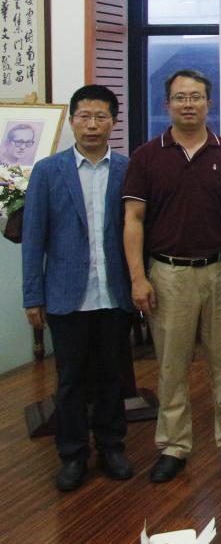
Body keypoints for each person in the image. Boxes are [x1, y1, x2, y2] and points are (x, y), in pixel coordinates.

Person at [122, 69, 221, 483]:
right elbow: (134, 219)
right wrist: (139, 278)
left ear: (208, 103)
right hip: (169, 273)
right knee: (171, 366)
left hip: (220, 269)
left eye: (196, 97)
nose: (188, 104)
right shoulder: (147, 155)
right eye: (180, 98)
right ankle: (174, 447)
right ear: (167, 105)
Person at [21, 85, 133, 491]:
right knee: (69, 381)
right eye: (84, 116)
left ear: (113, 122)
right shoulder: (48, 172)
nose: (91, 124)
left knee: (111, 377)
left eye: (100, 116)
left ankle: (111, 447)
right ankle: (72, 454)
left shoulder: (126, 169)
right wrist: (32, 296)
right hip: (66, 295)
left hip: (114, 293)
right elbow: (33, 238)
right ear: (71, 121)